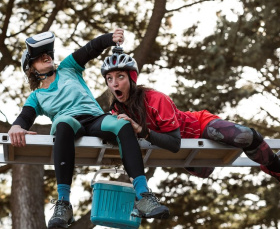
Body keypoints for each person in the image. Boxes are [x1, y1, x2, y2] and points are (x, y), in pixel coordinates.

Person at [8, 30, 169, 229]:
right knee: (64, 122)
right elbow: (25, 117)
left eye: (47, 53)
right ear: (32, 69)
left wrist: (110, 38)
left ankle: (144, 196)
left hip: (95, 118)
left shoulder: (68, 68)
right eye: (39, 57)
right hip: (69, 124)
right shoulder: (37, 96)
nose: (46, 56)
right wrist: (16, 127)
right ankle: (64, 204)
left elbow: (90, 49)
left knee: (122, 123)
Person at [101, 46, 280, 183]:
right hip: (181, 152)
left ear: (132, 78)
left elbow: (174, 142)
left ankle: (275, 167)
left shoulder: (155, 99)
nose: (115, 83)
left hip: (199, 126)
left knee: (246, 136)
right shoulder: (116, 111)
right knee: (205, 172)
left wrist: (140, 129)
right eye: (110, 79)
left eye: (120, 77)